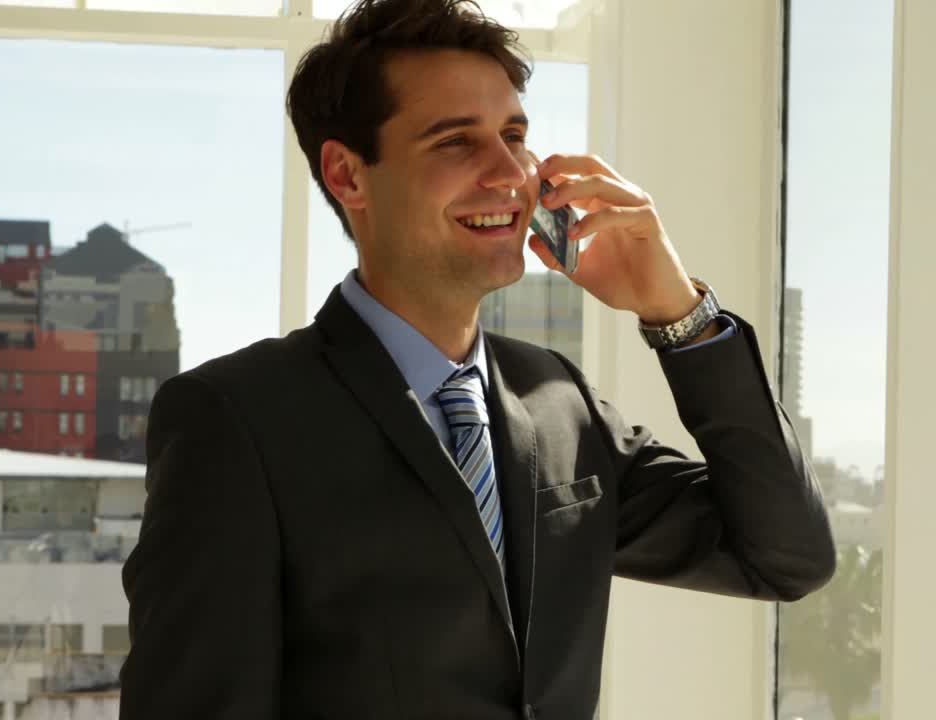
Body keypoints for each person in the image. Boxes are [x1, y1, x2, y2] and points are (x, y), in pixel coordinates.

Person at [117, 0, 835, 717]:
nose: (510, 172)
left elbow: (784, 556)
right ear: (347, 175)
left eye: (514, 134)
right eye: (457, 142)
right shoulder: (237, 420)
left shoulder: (559, 400)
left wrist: (678, 313)